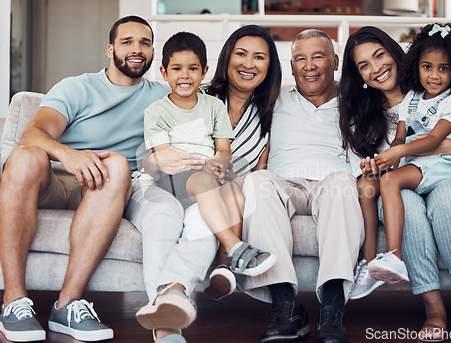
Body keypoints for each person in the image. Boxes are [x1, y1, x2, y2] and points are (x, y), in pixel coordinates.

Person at [0, 15, 170, 342]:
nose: (137, 49)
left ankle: (68, 304)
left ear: (152, 53)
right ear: (110, 49)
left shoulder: (161, 98)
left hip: (103, 187)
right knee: (24, 157)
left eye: (145, 43)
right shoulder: (77, 87)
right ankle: (14, 301)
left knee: (119, 163)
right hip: (55, 180)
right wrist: (69, 154)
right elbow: (32, 134)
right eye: (127, 42)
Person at [339, 25, 451, 342]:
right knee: (407, 202)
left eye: (380, 55)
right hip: (402, 189)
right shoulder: (364, 116)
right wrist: (372, 167)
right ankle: (433, 308)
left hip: (449, 181)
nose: (376, 69)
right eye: (363, 65)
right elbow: (363, 170)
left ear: (398, 55)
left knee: (448, 197)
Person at [134, 24, 282, 342]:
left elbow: (250, 165)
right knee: (175, 214)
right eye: (241, 54)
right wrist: (159, 162)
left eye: (259, 57)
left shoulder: (272, 113)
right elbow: (153, 156)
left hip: (221, 183)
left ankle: (199, 280)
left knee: (224, 205)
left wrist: (228, 176)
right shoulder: (199, 96)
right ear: (225, 60)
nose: (248, 63)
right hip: (181, 181)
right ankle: (229, 253)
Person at [240, 29, 364, 343]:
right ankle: (286, 306)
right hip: (285, 184)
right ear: (291, 66)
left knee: (343, 183)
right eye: (300, 59)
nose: (308, 65)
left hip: (333, 183)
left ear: (335, 61)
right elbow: (218, 91)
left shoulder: (359, 100)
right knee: (256, 181)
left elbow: (406, 106)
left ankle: (333, 308)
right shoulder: (274, 96)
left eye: (318, 56)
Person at [370, 22, 451, 286]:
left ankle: (394, 255)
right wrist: (391, 155)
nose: (434, 75)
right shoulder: (411, 98)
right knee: (387, 178)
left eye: (444, 69)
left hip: (443, 165)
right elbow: (401, 134)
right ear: (416, 67)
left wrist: (401, 151)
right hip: (421, 164)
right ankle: (395, 256)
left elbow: (434, 139)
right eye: (427, 67)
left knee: (390, 181)